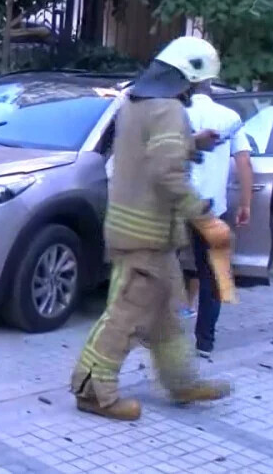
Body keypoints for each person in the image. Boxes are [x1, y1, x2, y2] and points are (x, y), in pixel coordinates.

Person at [70, 35, 234, 421]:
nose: (197, 90)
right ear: (186, 77)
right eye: (197, 82)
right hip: (148, 235)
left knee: (165, 320)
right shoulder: (169, 111)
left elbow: (150, 151)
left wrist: (193, 143)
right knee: (124, 317)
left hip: (140, 231)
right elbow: (166, 171)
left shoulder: (134, 102)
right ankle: (92, 389)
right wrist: (203, 216)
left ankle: (181, 383)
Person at [182, 80, 252, 358]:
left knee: (161, 265)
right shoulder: (230, 117)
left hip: (175, 203)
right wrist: (245, 203)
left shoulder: (176, 114)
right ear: (211, 88)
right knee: (213, 273)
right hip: (212, 208)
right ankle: (205, 342)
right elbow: (244, 162)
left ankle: (155, 333)